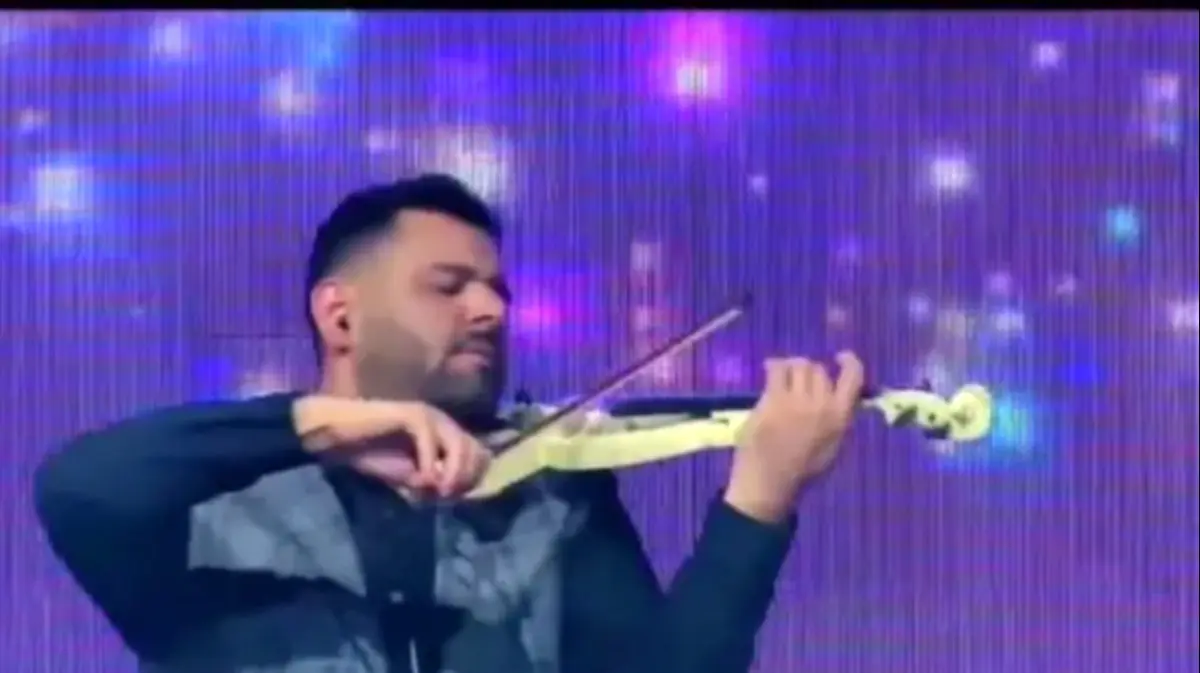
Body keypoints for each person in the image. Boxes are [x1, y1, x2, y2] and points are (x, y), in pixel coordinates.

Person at [34, 174, 866, 673]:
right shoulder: (214, 502)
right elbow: (79, 489)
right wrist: (313, 427)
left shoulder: (551, 499)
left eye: (498, 291)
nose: (490, 309)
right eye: (448, 285)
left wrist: (758, 503)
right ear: (338, 314)